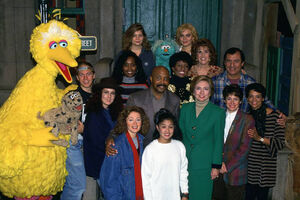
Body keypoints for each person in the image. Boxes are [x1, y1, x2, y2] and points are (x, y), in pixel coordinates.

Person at [211, 47, 286, 127]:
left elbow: (265, 101)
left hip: (242, 128)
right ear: (224, 63)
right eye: (228, 61)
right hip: (219, 126)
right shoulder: (214, 82)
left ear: (242, 63)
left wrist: (279, 114)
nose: (232, 65)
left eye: (236, 61)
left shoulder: (250, 83)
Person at [179, 75, 225, 200]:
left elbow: (218, 141)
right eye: (198, 88)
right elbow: (181, 136)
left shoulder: (218, 113)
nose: (202, 92)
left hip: (204, 165)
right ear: (193, 91)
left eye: (206, 89)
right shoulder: (185, 109)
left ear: (211, 92)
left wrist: (216, 166)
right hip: (185, 163)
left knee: (201, 196)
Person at [83, 77, 123, 200]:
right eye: (106, 92)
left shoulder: (114, 111)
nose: (109, 96)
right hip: (102, 163)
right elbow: (96, 142)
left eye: (112, 93)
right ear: (99, 93)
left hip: (112, 161)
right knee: (111, 195)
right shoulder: (94, 113)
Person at [212, 84, 254, 200]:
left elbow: (244, 149)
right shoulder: (218, 116)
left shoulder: (247, 119)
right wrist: (217, 163)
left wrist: (227, 166)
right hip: (217, 170)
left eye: (235, 99)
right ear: (224, 100)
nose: (232, 102)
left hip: (236, 172)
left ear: (240, 101)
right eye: (229, 98)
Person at [60, 62, 95, 200]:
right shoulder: (72, 96)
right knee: (77, 185)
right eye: (82, 75)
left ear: (93, 76)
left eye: (88, 74)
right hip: (75, 143)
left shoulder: (100, 96)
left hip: (93, 142)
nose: (85, 78)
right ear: (78, 78)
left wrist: (86, 129)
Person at [99, 106, 150, 200]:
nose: (135, 123)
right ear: (124, 121)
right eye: (131, 120)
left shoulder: (143, 142)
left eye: (138, 119)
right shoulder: (116, 145)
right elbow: (109, 181)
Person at [245, 83, 285, 200]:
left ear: (263, 98)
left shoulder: (275, 117)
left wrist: (259, 138)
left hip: (266, 167)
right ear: (247, 99)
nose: (254, 100)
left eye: (258, 96)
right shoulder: (246, 117)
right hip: (250, 167)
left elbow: (279, 143)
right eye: (251, 96)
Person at [142, 108, 189, 200]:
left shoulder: (179, 146)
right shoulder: (150, 149)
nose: (167, 131)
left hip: (175, 195)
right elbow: (145, 179)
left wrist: (185, 193)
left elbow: (183, 171)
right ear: (157, 127)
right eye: (163, 126)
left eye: (170, 127)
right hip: (156, 196)